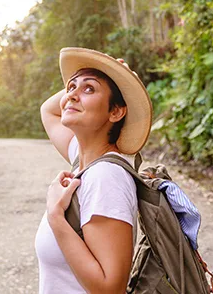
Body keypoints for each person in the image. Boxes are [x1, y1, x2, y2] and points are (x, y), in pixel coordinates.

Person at [34, 47, 153, 294]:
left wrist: (56, 217)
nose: (73, 95)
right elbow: (49, 109)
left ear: (116, 111)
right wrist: (103, 73)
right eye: (71, 87)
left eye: (89, 89)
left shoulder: (105, 177)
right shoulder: (83, 160)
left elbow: (111, 288)